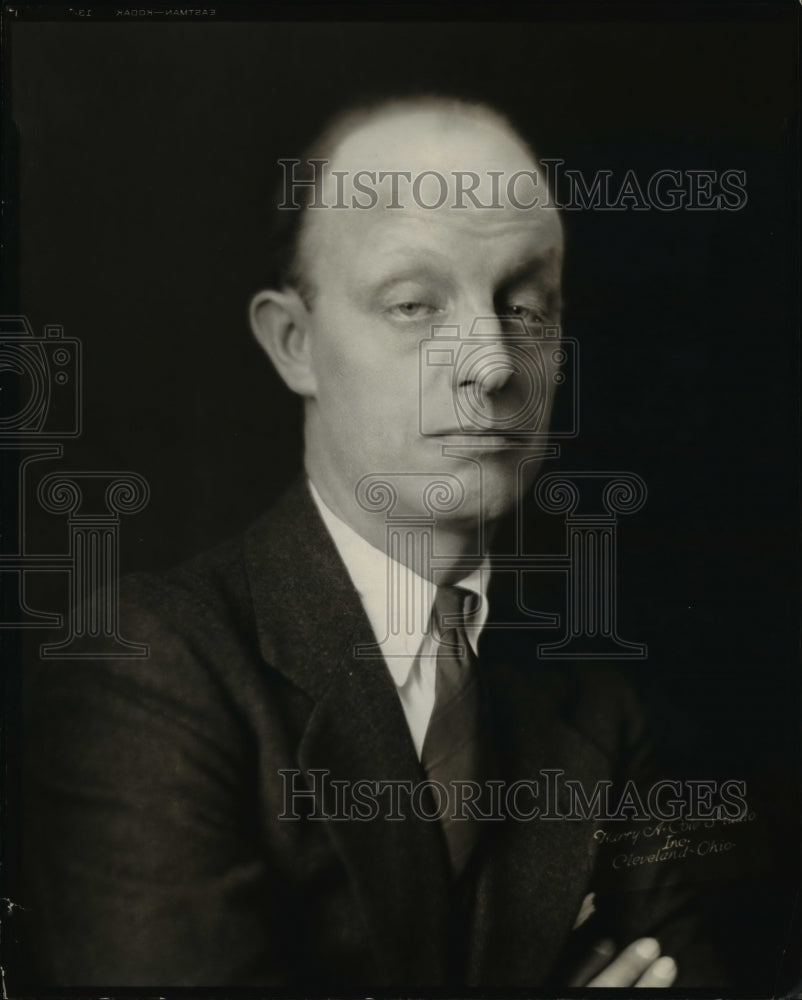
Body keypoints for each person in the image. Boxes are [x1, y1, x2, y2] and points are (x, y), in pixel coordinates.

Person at [24, 95, 727, 988]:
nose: (494, 363)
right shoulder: (142, 668)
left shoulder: (597, 706)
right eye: (413, 305)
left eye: (527, 305)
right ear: (294, 343)